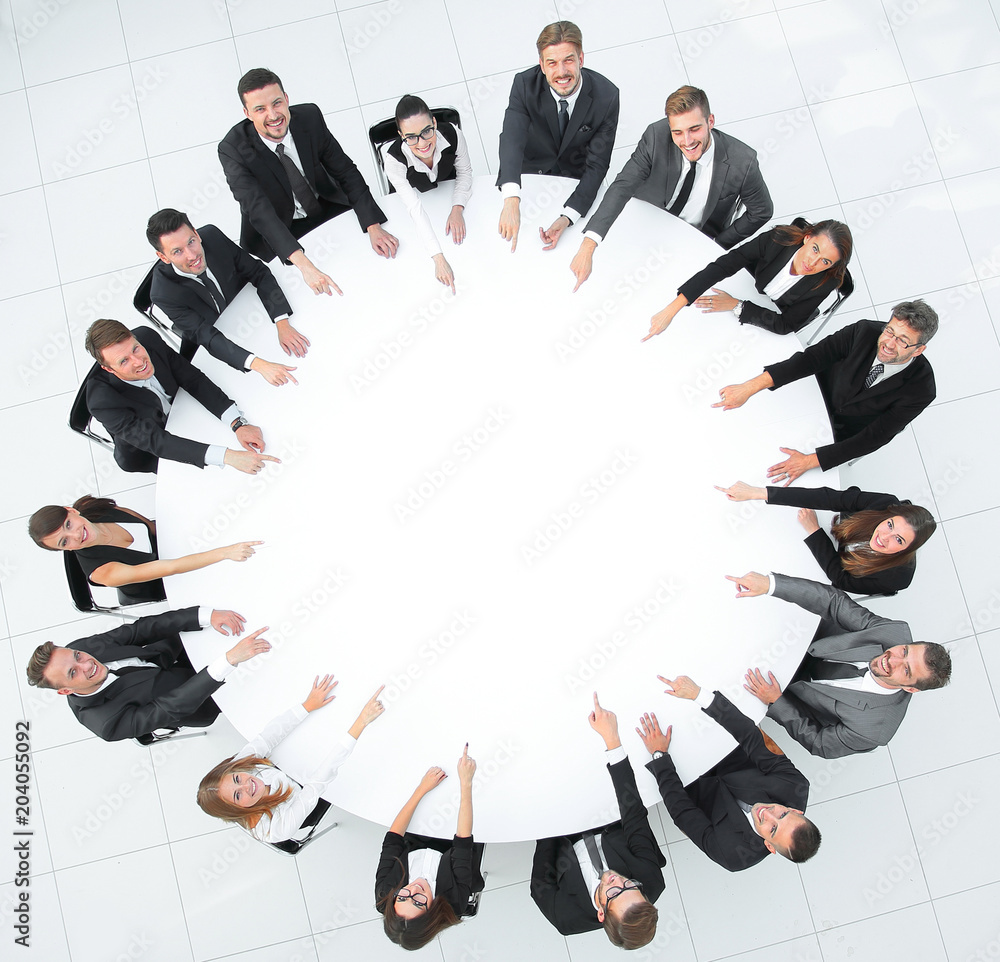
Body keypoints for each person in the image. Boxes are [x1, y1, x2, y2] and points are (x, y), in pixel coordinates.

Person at [728, 571, 952, 757]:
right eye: (904, 651)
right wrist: (771, 585)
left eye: (905, 669)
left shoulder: (873, 730)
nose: (891, 659)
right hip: (796, 638)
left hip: (784, 692)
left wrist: (776, 701)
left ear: (910, 688)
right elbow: (833, 602)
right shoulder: (894, 633)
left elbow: (820, 743)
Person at [570, 85, 772, 290]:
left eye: (695, 129)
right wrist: (588, 246)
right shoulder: (656, 136)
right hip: (646, 223)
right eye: (677, 132)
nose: (687, 141)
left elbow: (762, 211)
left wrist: (717, 244)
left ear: (710, 121)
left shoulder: (743, 161)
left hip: (691, 239)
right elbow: (623, 186)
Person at [219, 67, 397, 295]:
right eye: (260, 109)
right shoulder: (233, 149)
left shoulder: (309, 118)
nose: (273, 116)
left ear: (286, 98)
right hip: (282, 226)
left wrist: (373, 225)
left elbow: (345, 171)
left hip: (325, 204)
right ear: (247, 113)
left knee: (369, 270)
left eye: (276, 103)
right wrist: (306, 266)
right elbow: (259, 211)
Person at [713, 304, 938, 483]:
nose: (889, 343)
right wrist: (750, 387)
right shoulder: (865, 331)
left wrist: (809, 462)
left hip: (841, 432)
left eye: (902, 341)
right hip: (814, 393)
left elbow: (875, 436)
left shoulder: (922, 389)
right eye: (889, 331)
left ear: (919, 350)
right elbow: (811, 359)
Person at [637, 675, 820, 871]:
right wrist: (700, 695)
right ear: (795, 811)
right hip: (722, 746)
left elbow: (682, 814)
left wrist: (659, 756)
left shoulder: (732, 855)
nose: (768, 814)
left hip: (686, 780)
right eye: (782, 814)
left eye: (773, 829)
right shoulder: (795, 786)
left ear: (769, 846)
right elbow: (753, 738)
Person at [530, 692, 664, 949]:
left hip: (561, 829)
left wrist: (547, 817)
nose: (618, 881)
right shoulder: (651, 880)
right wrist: (613, 740)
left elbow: (540, 884)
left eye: (614, 893)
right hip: (608, 815)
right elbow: (634, 814)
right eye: (630, 885)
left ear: (601, 914)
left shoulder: (566, 917)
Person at [25, 607, 269, 741]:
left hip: (178, 653)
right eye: (73, 672)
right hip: (203, 699)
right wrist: (229, 660)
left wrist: (204, 615)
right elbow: (171, 707)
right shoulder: (106, 723)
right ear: (66, 690)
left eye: (78, 656)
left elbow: (139, 631)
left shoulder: (80, 649)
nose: (87, 664)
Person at [196, 676, 385, 843]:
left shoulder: (240, 768)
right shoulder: (276, 829)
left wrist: (307, 705)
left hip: (292, 771)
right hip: (306, 800)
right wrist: (361, 722)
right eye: (238, 795)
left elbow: (267, 737)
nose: (246, 785)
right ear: (236, 811)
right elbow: (316, 785)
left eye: (237, 779)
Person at [84, 319, 277, 475]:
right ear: (109, 369)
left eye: (135, 348)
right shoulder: (101, 401)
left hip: (185, 411)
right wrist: (228, 456)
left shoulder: (147, 338)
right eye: (124, 361)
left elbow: (192, 379)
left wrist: (237, 423)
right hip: (150, 449)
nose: (138, 362)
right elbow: (157, 442)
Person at [496, 21, 620, 252]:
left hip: (574, 180)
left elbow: (597, 164)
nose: (561, 72)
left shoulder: (607, 96)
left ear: (581, 59)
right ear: (542, 65)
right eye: (552, 63)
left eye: (568, 60)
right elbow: (512, 138)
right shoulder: (524, 85)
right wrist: (512, 198)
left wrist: (568, 217)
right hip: (530, 173)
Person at [146, 208, 307, 374]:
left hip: (250, 310)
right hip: (216, 337)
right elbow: (205, 335)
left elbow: (258, 272)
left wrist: (282, 322)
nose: (192, 255)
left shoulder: (212, 237)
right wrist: (257, 364)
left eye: (191, 242)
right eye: (177, 251)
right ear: (163, 257)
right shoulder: (163, 294)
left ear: (197, 234)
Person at [28, 494, 261, 606]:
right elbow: (172, 568)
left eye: (68, 525)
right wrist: (224, 552)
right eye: (64, 542)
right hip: (165, 581)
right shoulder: (102, 572)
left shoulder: (90, 508)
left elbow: (148, 525)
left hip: (170, 549)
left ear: (72, 511)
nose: (76, 535)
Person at [643, 218, 852, 340]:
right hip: (753, 283)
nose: (813, 263)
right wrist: (673, 308)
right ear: (807, 238)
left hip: (782, 308)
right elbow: (725, 265)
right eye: (815, 249)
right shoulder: (777, 239)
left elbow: (785, 325)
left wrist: (737, 305)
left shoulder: (827, 283)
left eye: (825, 262)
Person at [715, 482, 936, 596]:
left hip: (839, 561)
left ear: (907, 550)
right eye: (889, 525)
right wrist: (760, 493)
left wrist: (814, 532)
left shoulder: (897, 577)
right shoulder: (885, 504)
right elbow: (829, 498)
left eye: (899, 540)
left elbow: (841, 580)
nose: (884, 537)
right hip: (846, 531)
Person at [375, 746, 483, 950]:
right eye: (418, 901)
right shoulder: (453, 902)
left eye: (404, 896)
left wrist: (422, 789)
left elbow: (393, 839)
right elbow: (463, 841)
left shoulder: (385, 893)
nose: (413, 889)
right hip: (456, 842)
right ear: (432, 911)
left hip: (419, 834)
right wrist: (466, 782)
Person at [381, 95, 473, 293]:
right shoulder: (394, 162)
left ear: (434, 122)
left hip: (446, 191)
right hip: (413, 200)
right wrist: (438, 258)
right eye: (411, 137)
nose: (422, 143)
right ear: (401, 134)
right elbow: (415, 209)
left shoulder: (452, 134)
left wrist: (457, 208)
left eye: (426, 131)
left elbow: (465, 172)